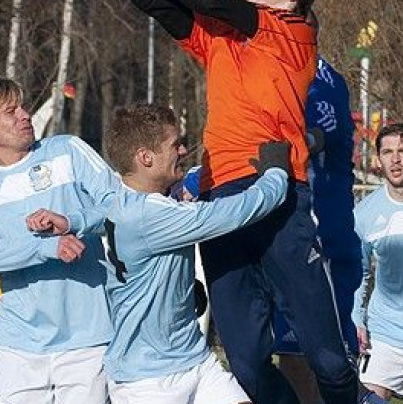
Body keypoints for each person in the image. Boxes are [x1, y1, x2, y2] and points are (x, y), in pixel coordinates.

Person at [107, 0, 364, 402]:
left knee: (326, 358)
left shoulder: (292, 32)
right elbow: (159, 5)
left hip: (280, 198)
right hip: (221, 201)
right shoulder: (227, 37)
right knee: (244, 364)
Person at [102, 104, 290, 404]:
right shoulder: (149, 215)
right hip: (147, 381)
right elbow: (231, 213)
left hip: (195, 360)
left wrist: (181, 290)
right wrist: (277, 175)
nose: (184, 149)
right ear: (145, 157)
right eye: (174, 144)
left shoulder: (123, 201)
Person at [0, 77, 116, 404]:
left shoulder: (67, 150)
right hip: (20, 347)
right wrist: (45, 248)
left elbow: (120, 205)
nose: (25, 115)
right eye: (10, 112)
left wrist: (73, 221)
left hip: (89, 340)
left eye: (23, 107)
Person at [273, 56, 363, 403]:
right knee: (290, 360)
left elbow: (318, 137)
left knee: (330, 366)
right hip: (284, 240)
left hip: (324, 240)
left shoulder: (324, 79)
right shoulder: (264, 64)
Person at [352, 123, 403, 401]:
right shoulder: (364, 214)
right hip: (386, 332)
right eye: (388, 152)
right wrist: (356, 318)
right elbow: (357, 272)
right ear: (378, 158)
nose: (396, 159)